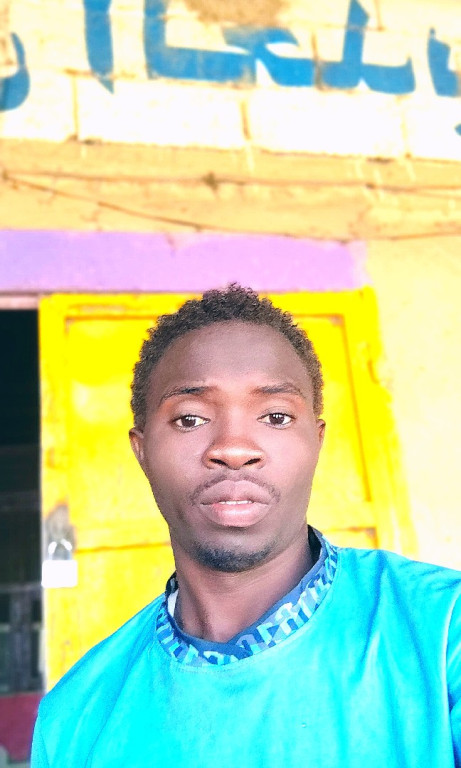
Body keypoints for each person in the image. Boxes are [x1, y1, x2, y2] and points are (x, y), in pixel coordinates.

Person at [31, 285, 461, 767]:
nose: (234, 449)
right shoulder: (73, 718)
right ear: (142, 450)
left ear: (317, 441)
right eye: (190, 419)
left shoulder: (443, 631)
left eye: (275, 416)